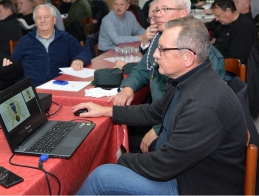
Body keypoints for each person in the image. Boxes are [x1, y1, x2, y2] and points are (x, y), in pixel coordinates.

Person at [73, 16, 247, 195]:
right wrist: (106, 110)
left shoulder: (206, 105)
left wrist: (122, 159)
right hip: (186, 173)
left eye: (162, 50)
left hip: (195, 187)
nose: (155, 54)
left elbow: (162, 166)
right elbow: (153, 112)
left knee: (101, 177)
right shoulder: (186, 81)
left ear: (188, 58)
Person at [111, 0, 225, 153]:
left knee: (119, 148)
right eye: (157, 11)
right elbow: (142, 69)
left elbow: (194, 111)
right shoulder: (159, 40)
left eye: (165, 9)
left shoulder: (202, 54)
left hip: (182, 132)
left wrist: (158, 129)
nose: (158, 15)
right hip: (161, 114)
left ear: (183, 13)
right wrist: (128, 87)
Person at [11, 4, 92, 87]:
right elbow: (13, 65)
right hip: (32, 89)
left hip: (60, 86)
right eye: (39, 18)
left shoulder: (65, 38)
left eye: (46, 17)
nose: (42, 20)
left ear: (54, 19)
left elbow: (84, 52)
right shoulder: (25, 41)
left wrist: (79, 59)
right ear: (35, 21)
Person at [211, 0, 256, 65]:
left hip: (226, 67)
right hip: (217, 58)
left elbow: (236, 61)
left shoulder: (243, 28)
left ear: (228, 11)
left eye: (218, 15)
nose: (216, 19)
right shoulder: (228, 22)